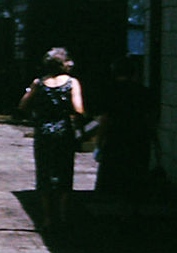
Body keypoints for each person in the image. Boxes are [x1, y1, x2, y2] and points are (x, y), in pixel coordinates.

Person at [18, 46, 85, 230]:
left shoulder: (38, 83)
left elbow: (23, 105)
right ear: (64, 64)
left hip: (43, 131)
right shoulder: (72, 82)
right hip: (64, 132)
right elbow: (78, 109)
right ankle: (63, 217)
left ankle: (47, 218)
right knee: (64, 173)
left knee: (44, 174)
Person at [93, 55, 154, 198]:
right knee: (136, 175)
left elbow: (105, 119)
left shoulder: (110, 91)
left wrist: (99, 142)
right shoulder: (143, 91)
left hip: (115, 136)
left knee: (114, 176)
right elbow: (149, 118)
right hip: (138, 136)